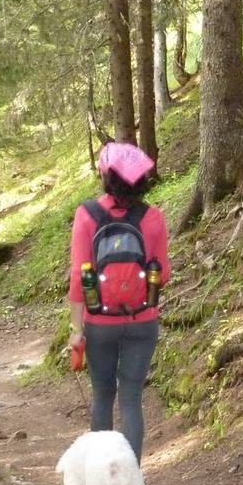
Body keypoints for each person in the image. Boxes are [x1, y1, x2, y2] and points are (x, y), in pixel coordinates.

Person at [68, 142, 169, 463]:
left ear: (105, 176)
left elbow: (78, 277)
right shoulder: (153, 218)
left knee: (102, 396)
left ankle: (102, 480)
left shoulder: (87, 215)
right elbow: (162, 273)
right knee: (131, 399)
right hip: (143, 321)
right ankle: (131, 483)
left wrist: (75, 329)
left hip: (99, 324)